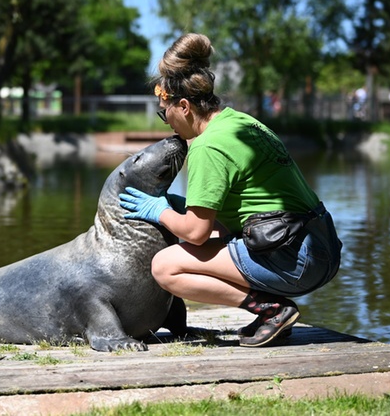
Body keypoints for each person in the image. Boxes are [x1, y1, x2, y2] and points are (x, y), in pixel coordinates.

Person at [118, 33, 342, 348]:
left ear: (183, 106)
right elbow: (238, 210)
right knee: (211, 237)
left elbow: (195, 232)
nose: (165, 121)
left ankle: (271, 309)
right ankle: (274, 314)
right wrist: (185, 207)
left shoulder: (207, 147)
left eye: (163, 112)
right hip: (321, 246)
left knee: (166, 267)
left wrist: (161, 211)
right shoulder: (242, 123)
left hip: (296, 257)